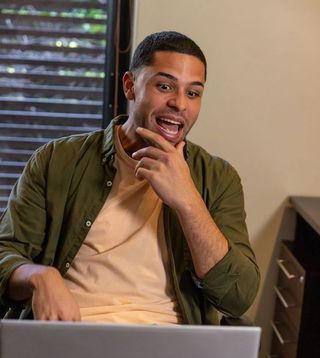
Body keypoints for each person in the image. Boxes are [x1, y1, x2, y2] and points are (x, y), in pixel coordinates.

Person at [0, 31, 259, 324]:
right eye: (165, 86)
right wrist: (40, 276)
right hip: (74, 333)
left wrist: (188, 201)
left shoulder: (218, 177)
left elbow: (238, 297)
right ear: (130, 86)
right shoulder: (57, 160)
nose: (180, 104)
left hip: (168, 343)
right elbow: (5, 253)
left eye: (193, 93)